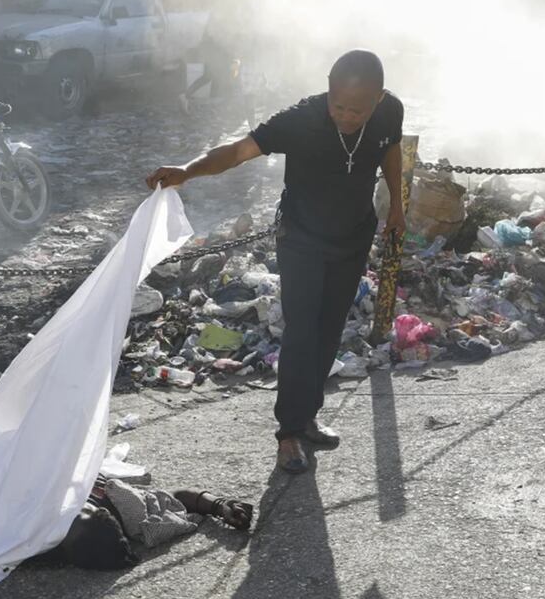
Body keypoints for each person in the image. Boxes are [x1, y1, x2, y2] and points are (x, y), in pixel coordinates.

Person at [146, 50, 405, 474]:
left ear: (378, 99)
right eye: (338, 105)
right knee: (302, 330)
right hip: (301, 239)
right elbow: (237, 151)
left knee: (329, 329)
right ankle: (288, 433)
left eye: (357, 110)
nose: (345, 116)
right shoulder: (301, 120)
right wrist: (187, 171)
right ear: (328, 90)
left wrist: (396, 204)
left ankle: (308, 416)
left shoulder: (390, 111)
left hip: (353, 237)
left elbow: (391, 148)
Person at [0, 424, 254, 570]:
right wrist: (218, 504)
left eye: (76, 517)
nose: (84, 509)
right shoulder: (132, 514)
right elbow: (178, 499)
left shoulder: (34, 534)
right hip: (56, 471)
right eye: (92, 512)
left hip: (7, 492)